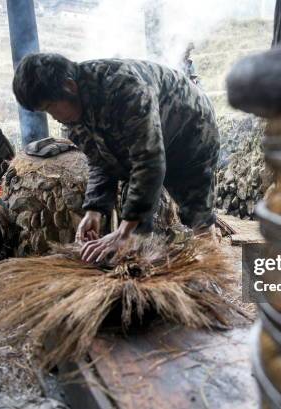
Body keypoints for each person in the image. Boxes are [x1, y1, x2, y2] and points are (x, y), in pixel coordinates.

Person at [12, 53, 220, 263]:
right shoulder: (75, 110)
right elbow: (100, 160)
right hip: (155, 138)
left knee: (197, 214)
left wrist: (125, 232)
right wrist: (94, 210)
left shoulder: (124, 89)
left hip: (191, 129)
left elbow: (149, 162)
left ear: (69, 86)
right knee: (134, 223)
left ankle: (215, 274)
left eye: (49, 107)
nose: (52, 116)